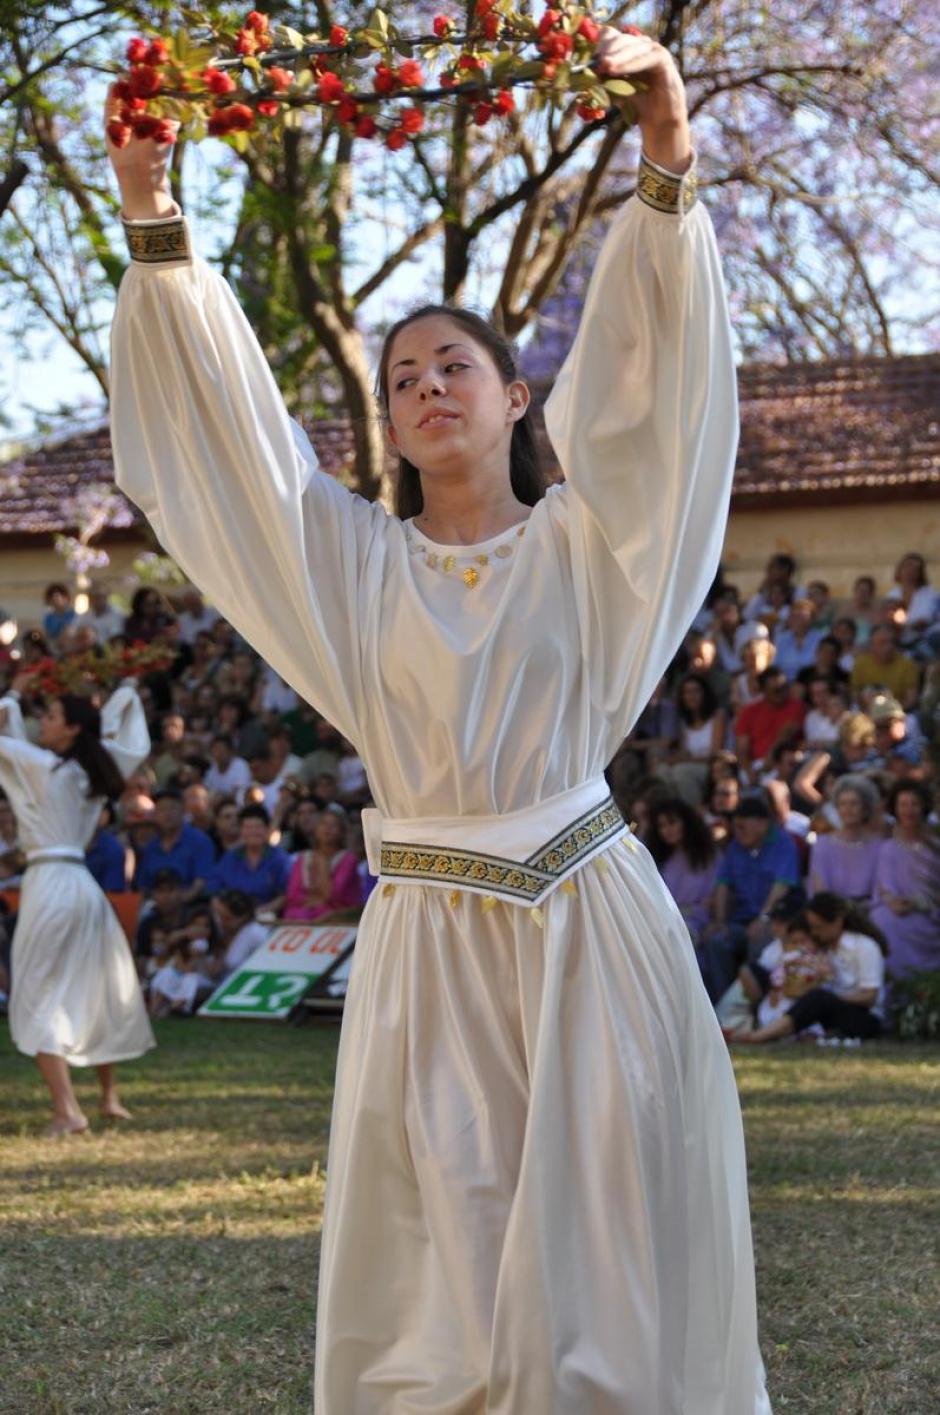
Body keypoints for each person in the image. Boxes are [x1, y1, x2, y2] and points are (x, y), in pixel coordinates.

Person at [108, 26, 772, 1412]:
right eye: (402, 375)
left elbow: (656, 396)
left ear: (518, 393)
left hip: (589, 932)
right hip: (425, 949)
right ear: (390, 422)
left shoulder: (590, 546)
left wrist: (664, 141)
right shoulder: (353, 568)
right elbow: (236, 452)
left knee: (604, 1273)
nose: (424, 384)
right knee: (445, 1281)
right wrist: (154, 214)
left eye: (454, 362)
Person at [0, 677, 154, 1135]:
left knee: (38, 990)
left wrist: (10, 695)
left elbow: (6, 738)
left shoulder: (47, 769)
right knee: (94, 986)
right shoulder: (91, 774)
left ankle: (68, 1111)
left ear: (70, 730)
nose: (41, 722)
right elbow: (120, 726)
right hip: (84, 887)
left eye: (49, 716)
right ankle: (108, 1098)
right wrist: (125, 686)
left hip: (50, 884)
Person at [738, 894, 887, 1043]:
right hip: (823, 1008)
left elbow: (870, 997)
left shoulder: (864, 946)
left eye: (819, 927)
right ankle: (766, 1024)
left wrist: (831, 996)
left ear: (837, 922)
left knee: (817, 997)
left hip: (862, 1016)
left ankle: (760, 1036)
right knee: (759, 973)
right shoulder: (822, 947)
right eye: (812, 927)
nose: (815, 933)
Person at [702, 794, 802, 1002]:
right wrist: (719, 920)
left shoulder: (784, 844)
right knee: (716, 941)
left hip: (775, 919)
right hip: (740, 919)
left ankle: (756, 1005)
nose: (737, 833)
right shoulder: (735, 847)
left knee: (758, 940)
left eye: (741, 826)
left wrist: (764, 918)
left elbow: (781, 886)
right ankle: (725, 1005)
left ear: (761, 824)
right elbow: (723, 883)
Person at [868, 780, 940, 980]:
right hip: (895, 913)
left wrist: (919, 902)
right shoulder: (888, 848)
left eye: (914, 804)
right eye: (904, 804)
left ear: (924, 806)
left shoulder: (936, 847)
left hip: (931, 913)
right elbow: (883, 887)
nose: (909, 810)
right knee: (884, 920)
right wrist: (893, 901)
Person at [646, 796, 719, 949]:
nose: (667, 830)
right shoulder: (659, 860)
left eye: (672, 822)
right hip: (664, 923)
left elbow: (713, 900)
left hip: (698, 927)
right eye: (661, 826)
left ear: (686, 822)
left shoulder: (709, 856)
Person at [808, 775, 884, 901]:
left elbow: (880, 891)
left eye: (854, 803)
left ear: (865, 809)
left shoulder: (879, 846)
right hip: (831, 913)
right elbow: (819, 890)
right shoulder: (822, 845)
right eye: (843, 804)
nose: (848, 809)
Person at [134, 786, 216, 901]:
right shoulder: (151, 847)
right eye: (162, 809)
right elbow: (143, 885)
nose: (167, 814)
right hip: (155, 905)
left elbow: (201, 882)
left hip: (190, 906)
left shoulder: (200, 841)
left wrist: (177, 902)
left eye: (172, 808)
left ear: (183, 811)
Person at [207, 803, 291, 912]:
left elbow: (285, 895)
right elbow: (214, 890)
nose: (253, 832)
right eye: (247, 827)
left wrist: (259, 912)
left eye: (258, 827)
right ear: (241, 831)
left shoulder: (279, 858)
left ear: (266, 830)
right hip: (231, 915)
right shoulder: (230, 857)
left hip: (266, 916)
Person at [283, 809, 363, 921]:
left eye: (333, 825)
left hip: (339, 913)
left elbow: (333, 893)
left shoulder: (348, 859)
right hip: (305, 909)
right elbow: (293, 893)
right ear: (316, 829)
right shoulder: (303, 858)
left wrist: (322, 864)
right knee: (296, 914)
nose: (327, 829)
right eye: (323, 824)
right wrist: (313, 901)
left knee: (323, 914)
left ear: (341, 832)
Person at [734, 666, 806, 780]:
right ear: (763, 690)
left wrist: (768, 762)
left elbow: (786, 735)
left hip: (783, 764)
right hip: (755, 764)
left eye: (784, 687)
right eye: (776, 690)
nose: (782, 693)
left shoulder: (796, 706)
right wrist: (749, 771)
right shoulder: (749, 711)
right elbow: (742, 748)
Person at [850, 624, 921, 710]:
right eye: (882, 642)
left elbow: (911, 699)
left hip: (898, 713)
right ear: (872, 645)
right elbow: (855, 694)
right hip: (867, 712)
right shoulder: (860, 664)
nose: (889, 647)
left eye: (891, 642)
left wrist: (891, 713)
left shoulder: (908, 665)